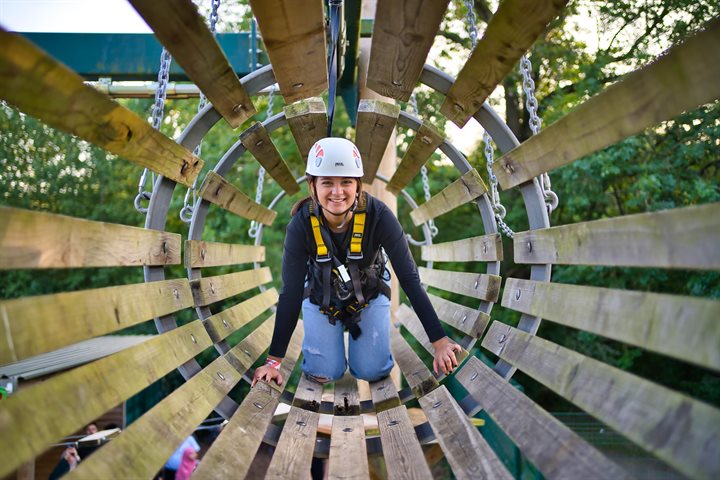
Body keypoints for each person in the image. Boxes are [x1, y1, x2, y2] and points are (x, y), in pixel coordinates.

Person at [252, 137, 461, 387]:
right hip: (322, 297)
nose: (337, 192)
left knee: (372, 371)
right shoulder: (301, 225)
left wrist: (439, 342)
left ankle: (364, 351)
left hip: (368, 295)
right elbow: (290, 292)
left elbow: (408, 277)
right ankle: (329, 349)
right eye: (327, 182)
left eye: (346, 182)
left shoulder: (380, 216)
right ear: (313, 185)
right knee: (323, 373)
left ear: (358, 184)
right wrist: (274, 361)